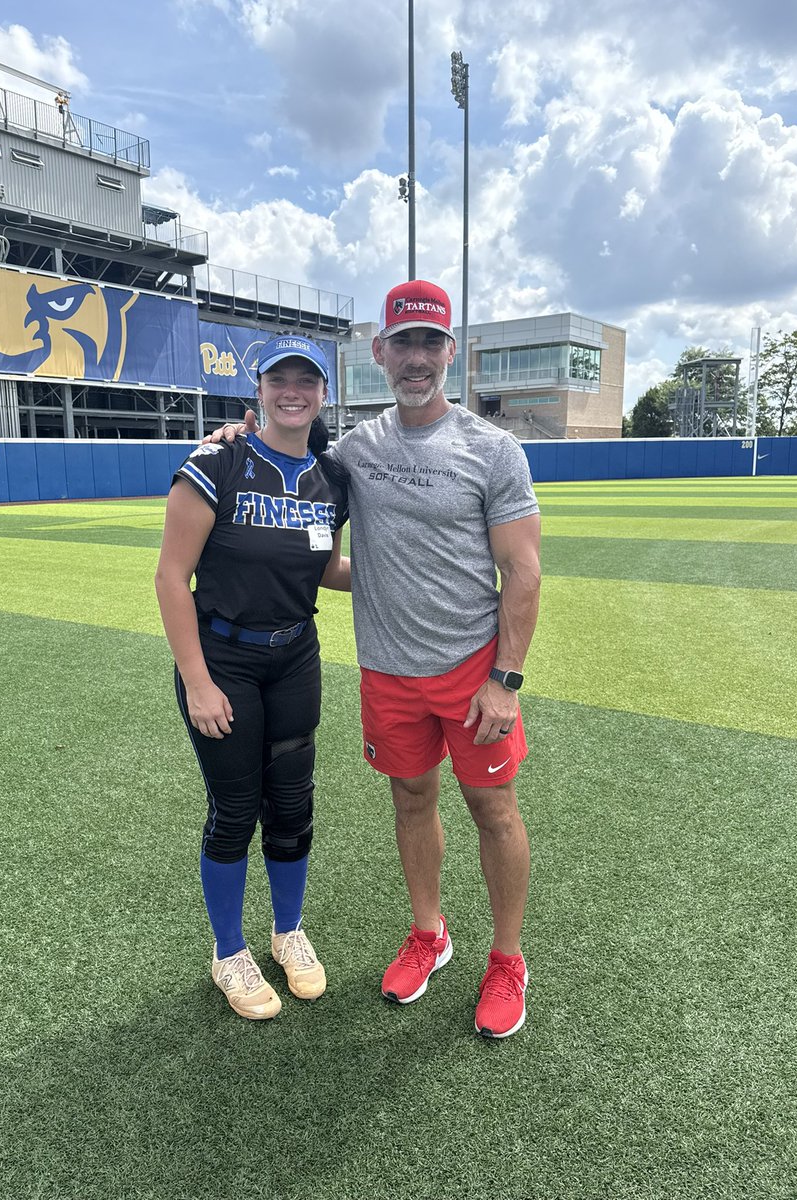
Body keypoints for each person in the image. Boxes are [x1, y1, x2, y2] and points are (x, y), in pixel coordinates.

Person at [209, 282, 541, 1038]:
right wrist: (240, 434)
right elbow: (294, 477)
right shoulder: (354, 451)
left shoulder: (492, 449)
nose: (417, 359)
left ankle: (507, 959)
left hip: (472, 669)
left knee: (493, 810)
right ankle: (429, 934)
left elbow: (523, 572)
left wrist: (505, 680)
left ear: (450, 352)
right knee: (411, 801)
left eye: (431, 343)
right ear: (380, 353)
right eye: (404, 343)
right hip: (388, 671)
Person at [155, 334, 350, 1021]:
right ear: (259, 391)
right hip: (224, 658)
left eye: (306, 381)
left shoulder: (333, 479)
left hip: (295, 655)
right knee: (236, 811)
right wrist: (197, 681)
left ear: (322, 394)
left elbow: (325, 568)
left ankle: (288, 932)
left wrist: (405, 577)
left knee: (292, 806)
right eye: (279, 380)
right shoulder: (218, 461)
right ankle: (229, 951)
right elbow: (171, 578)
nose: (292, 391)